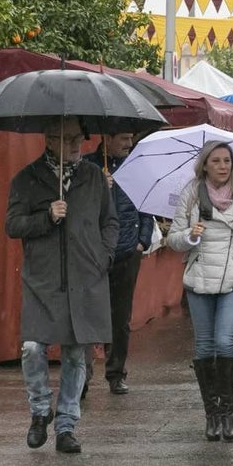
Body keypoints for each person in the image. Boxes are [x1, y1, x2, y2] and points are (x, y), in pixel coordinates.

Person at [5, 116, 118, 455]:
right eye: (66, 139)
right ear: (49, 139)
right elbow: (12, 225)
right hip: (43, 280)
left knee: (74, 353)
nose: (75, 145)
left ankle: (67, 424)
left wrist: (104, 256)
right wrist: (46, 218)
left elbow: (109, 221)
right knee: (32, 348)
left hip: (85, 277)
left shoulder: (94, 177)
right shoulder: (26, 179)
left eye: (78, 138)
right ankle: (40, 410)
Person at [166, 141, 233, 442]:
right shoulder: (191, 193)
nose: (223, 166)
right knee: (204, 346)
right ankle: (211, 415)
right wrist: (190, 235)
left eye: (227, 160)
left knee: (225, 342)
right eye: (216, 161)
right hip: (199, 279)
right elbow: (172, 238)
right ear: (205, 165)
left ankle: (228, 411)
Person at [83, 132, 155, 395]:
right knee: (88, 315)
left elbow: (145, 208)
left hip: (126, 251)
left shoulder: (136, 169)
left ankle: (116, 373)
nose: (128, 143)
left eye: (130, 138)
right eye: (123, 138)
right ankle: (83, 375)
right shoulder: (87, 166)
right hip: (93, 253)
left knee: (120, 317)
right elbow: (77, 206)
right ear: (108, 139)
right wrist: (99, 186)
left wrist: (142, 242)